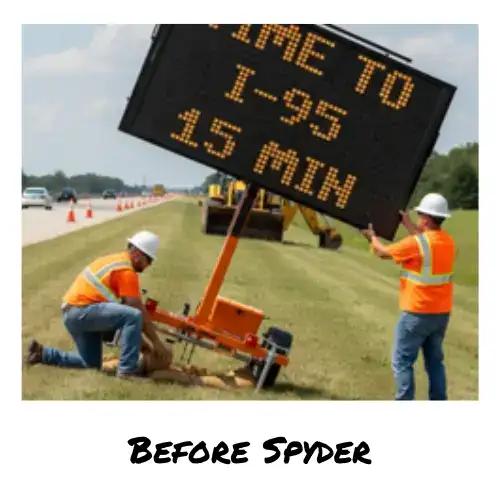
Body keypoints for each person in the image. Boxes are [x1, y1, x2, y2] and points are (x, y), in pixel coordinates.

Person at [25, 230, 173, 379]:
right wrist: (156, 342)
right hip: (82, 311)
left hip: (73, 313)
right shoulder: (126, 272)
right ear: (138, 255)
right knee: (135, 315)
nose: (148, 265)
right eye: (149, 260)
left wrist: (145, 348)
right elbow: (135, 312)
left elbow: (124, 323)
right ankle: (127, 370)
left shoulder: (114, 261)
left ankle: (42, 353)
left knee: (91, 363)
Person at [360, 193, 456, 400]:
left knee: (402, 361)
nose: (418, 217)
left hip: (416, 312)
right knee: (434, 362)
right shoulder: (447, 242)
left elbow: (383, 252)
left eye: (420, 214)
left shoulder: (417, 244)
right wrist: (409, 225)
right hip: (441, 314)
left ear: (426, 219)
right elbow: (425, 243)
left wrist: (371, 236)